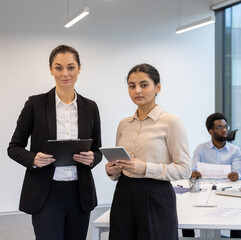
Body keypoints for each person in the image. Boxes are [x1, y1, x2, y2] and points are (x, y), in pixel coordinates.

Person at [7, 45, 102, 240]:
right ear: (51, 69)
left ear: (79, 69)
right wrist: (33, 159)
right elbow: (14, 147)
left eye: (71, 67)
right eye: (58, 68)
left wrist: (93, 158)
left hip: (80, 193)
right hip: (46, 193)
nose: (65, 74)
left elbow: (97, 151)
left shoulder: (90, 107)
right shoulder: (35, 104)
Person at [105, 63, 191, 240]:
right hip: (124, 192)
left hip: (156, 193)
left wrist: (146, 168)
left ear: (157, 87)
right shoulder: (123, 124)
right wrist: (112, 170)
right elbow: (120, 165)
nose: (137, 90)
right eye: (132, 86)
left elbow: (185, 168)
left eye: (144, 85)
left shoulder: (171, 122)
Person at [183, 112, 241, 238]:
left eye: (226, 126)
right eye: (220, 127)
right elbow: (193, 171)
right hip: (204, 191)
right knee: (186, 209)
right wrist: (194, 174)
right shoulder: (200, 149)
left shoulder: (235, 151)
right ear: (211, 131)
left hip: (227, 192)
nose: (225, 130)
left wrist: (235, 176)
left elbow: (239, 173)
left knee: (238, 210)